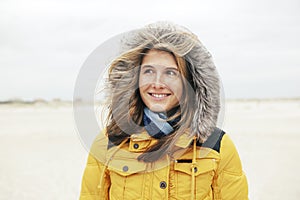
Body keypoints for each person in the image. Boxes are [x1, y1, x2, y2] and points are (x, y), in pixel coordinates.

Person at [79, 22, 248, 200]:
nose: (158, 83)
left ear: (188, 82)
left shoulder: (216, 145)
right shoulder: (108, 143)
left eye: (170, 73)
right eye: (149, 71)